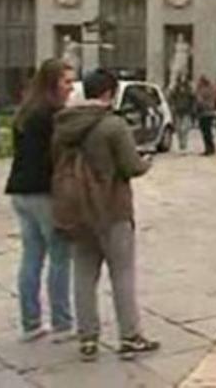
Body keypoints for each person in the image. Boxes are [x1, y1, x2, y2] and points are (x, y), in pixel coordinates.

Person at [52, 68, 159, 362]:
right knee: (122, 272)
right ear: (109, 93)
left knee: (84, 274)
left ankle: (87, 338)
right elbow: (131, 166)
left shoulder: (64, 125)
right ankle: (130, 336)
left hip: (77, 207)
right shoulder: (112, 125)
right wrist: (145, 161)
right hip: (111, 206)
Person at [4, 59, 76, 343]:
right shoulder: (52, 115)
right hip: (44, 191)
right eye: (67, 81)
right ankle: (62, 323)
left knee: (31, 256)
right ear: (52, 83)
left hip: (20, 191)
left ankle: (30, 322)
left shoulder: (26, 112)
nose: (71, 87)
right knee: (60, 256)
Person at [168, 76, 195, 152]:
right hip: (178, 111)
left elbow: (193, 98)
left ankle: (184, 144)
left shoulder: (189, 89)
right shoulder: (175, 89)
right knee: (178, 129)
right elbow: (171, 98)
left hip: (186, 111)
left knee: (185, 128)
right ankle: (181, 143)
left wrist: (192, 109)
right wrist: (173, 105)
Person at [195, 76, 216, 156]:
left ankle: (208, 149)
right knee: (209, 132)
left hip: (204, 113)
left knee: (205, 132)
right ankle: (212, 148)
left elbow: (199, 101)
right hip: (210, 113)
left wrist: (197, 91)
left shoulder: (202, 91)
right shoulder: (211, 89)